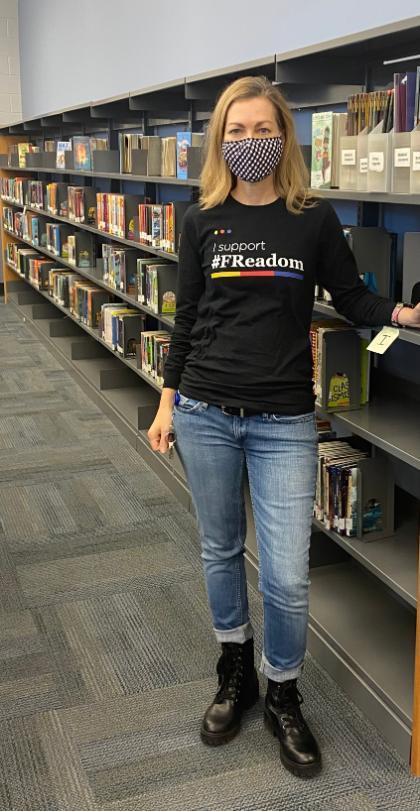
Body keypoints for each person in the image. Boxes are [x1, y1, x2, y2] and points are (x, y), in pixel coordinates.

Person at [147, 75, 420, 779]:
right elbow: (185, 321)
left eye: (260, 128)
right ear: (220, 140)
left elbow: (352, 296)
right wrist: (166, 401)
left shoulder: (313, 219)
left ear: (283, 136)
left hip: (284, 420)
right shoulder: (201, 219)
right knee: (218, 547)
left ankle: (284, 694)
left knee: (291, 575)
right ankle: (234, 671)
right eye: (235, 131)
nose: (248, 142)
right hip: (206, 409)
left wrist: (401, 315)